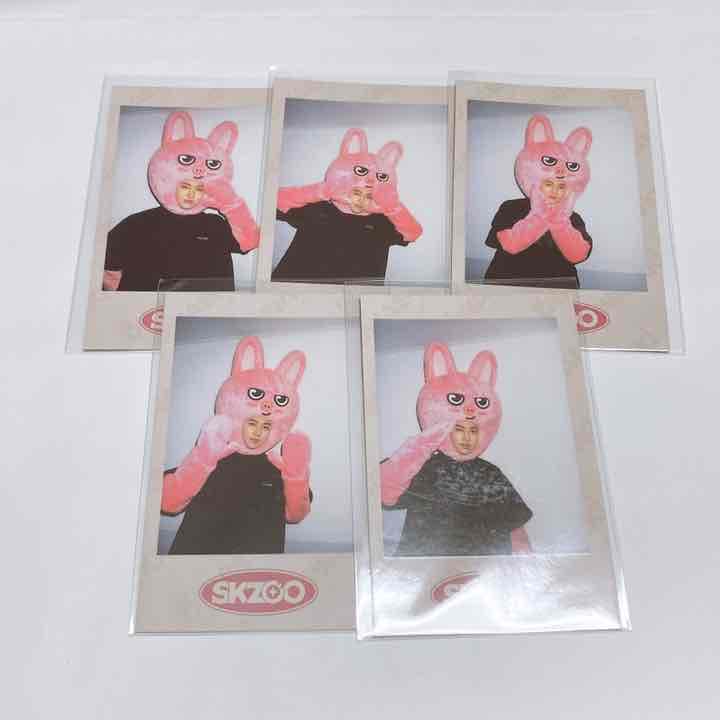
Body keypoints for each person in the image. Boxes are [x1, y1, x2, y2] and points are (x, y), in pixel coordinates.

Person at [161, 336, 312, 555]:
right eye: (252, 423)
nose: (258, 432)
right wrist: (202, 457)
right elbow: (167, 502)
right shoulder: (211, 459)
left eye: (266, 426)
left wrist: (296, 475)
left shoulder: (277, 470)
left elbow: (295, 514)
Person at [381, 342, 532, 556]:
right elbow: (384, 490)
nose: (467, 437)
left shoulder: (491, 473)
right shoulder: (424, 467)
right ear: (445, 428)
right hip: (430, 567)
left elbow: (516, 527)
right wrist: (422, 445)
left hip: (485, 568)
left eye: (474, 430)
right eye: (459, 429)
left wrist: (525, 562)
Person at [103, 110, 259, 293]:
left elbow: (249, 240)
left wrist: (231, 203)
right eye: (185, 186)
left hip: (204, 309)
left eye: (199, 188)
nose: (191, 194)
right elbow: (104, 264)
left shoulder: (214, 224)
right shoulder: (137, 223)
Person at [272, 127, 422, 284]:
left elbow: (413, 233)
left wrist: (392, 206)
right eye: (361, 172)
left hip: (351, 297)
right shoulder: (318, 208)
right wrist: (321, 190)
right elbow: (272, 201)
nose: (369, 182)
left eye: (380, 178)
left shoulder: (383, 222)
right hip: (293, 289)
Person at [483, 113, 593, 289]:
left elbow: (577, 255)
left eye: (562, 186)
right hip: (507, 283)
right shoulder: (511, 207)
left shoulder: (573, 218)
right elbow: (509, 244)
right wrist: (538, 216)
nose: (554, 191)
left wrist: (560, 221)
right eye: (548, 184)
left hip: (557, 288)